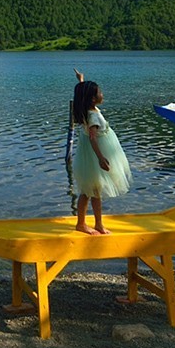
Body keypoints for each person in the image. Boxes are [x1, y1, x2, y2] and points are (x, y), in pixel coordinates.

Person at [71, 68, 132, 235]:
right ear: (92, 99)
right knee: (88, 190)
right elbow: (92, 138)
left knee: (95, 190)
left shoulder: (87, 107)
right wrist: (100, 158)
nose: (102, 95)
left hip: (90, 154)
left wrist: (81, 80)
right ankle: (81, 224)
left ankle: (98, 223)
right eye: (100, 93)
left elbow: (83, 92)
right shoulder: (93, 116)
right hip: (94, 155)